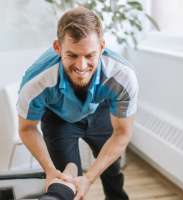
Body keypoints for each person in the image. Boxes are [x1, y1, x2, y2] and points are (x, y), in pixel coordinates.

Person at [17, 7, 139, 200]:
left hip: (99, 111)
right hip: (58, 118)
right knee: (67, 185)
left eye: (90, 55)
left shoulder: (122, 76)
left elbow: (122, 133)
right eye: (72, 55)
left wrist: (89, 179)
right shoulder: (37, 82)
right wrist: (50, 170)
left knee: (113, 172)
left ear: (101, 47)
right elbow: (27, 128)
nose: (81, 66)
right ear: (58, 48)